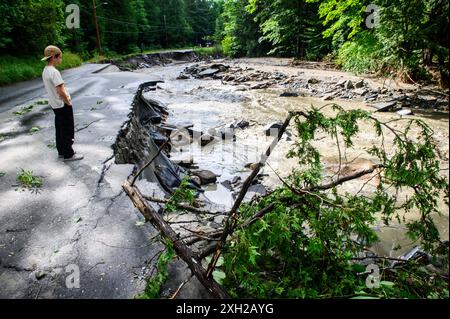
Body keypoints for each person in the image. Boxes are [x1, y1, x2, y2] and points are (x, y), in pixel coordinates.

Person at [41, 45, 83, 162]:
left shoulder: (45, 71)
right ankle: (68, 154)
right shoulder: (54, 72)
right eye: (60, 57)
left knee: (59, 128)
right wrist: (68, 102)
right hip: (62, 104)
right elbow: (61, 91)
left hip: (55, 105)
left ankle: (61, 151)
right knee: (67, 129)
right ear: (54, 57)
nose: (61, 60)